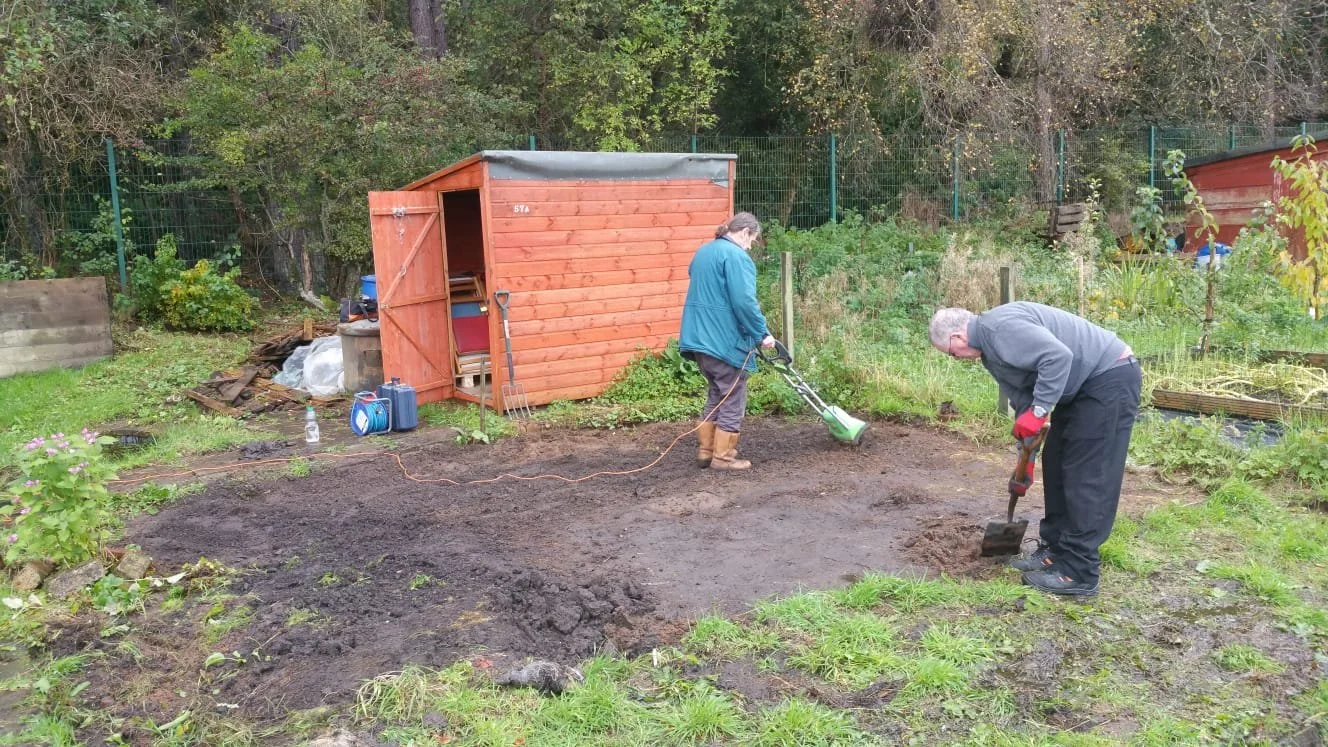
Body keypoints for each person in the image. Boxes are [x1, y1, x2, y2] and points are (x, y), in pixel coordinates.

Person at [929, 302, 1142, 597]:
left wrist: (1040, 410)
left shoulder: (999, 328)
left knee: (1087, 475)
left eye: (952, 354)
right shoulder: (990, 352)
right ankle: (1055, 551)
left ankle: (1080, 572)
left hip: (1108, 378)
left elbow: (1057, 357)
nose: (956, 359)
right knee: (1057, 467)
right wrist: (1026, 454)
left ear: (957, 338)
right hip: (1079, 389)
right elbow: (1024, 398)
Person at [679, 212, 776, 471]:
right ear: (744, 232)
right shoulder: (736, 257)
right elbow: (744, 301)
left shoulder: (704, 251)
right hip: (722, 340)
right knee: (733, 395)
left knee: (717, 394)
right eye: (752, 240)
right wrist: (762, 334)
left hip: (698, 338)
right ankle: (723, 457)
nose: (750, 246)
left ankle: (705, 451)